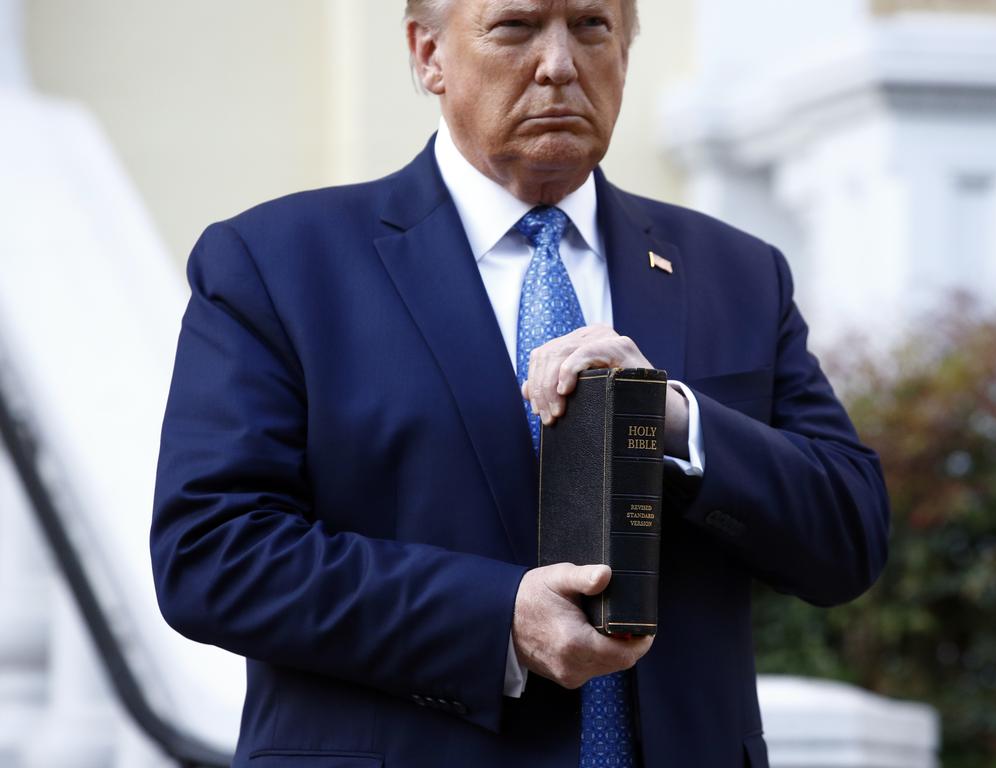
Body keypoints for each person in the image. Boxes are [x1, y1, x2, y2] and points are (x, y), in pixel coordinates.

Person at [150, 1, 890, 766]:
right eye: (516, 26)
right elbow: (213, 554)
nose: (560, 64)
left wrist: (673, 419)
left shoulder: (736, 273)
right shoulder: (280, 265)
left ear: (627, 54)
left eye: (593, 27)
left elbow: (850, 533)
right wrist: (498, 617)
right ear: (427, 53)